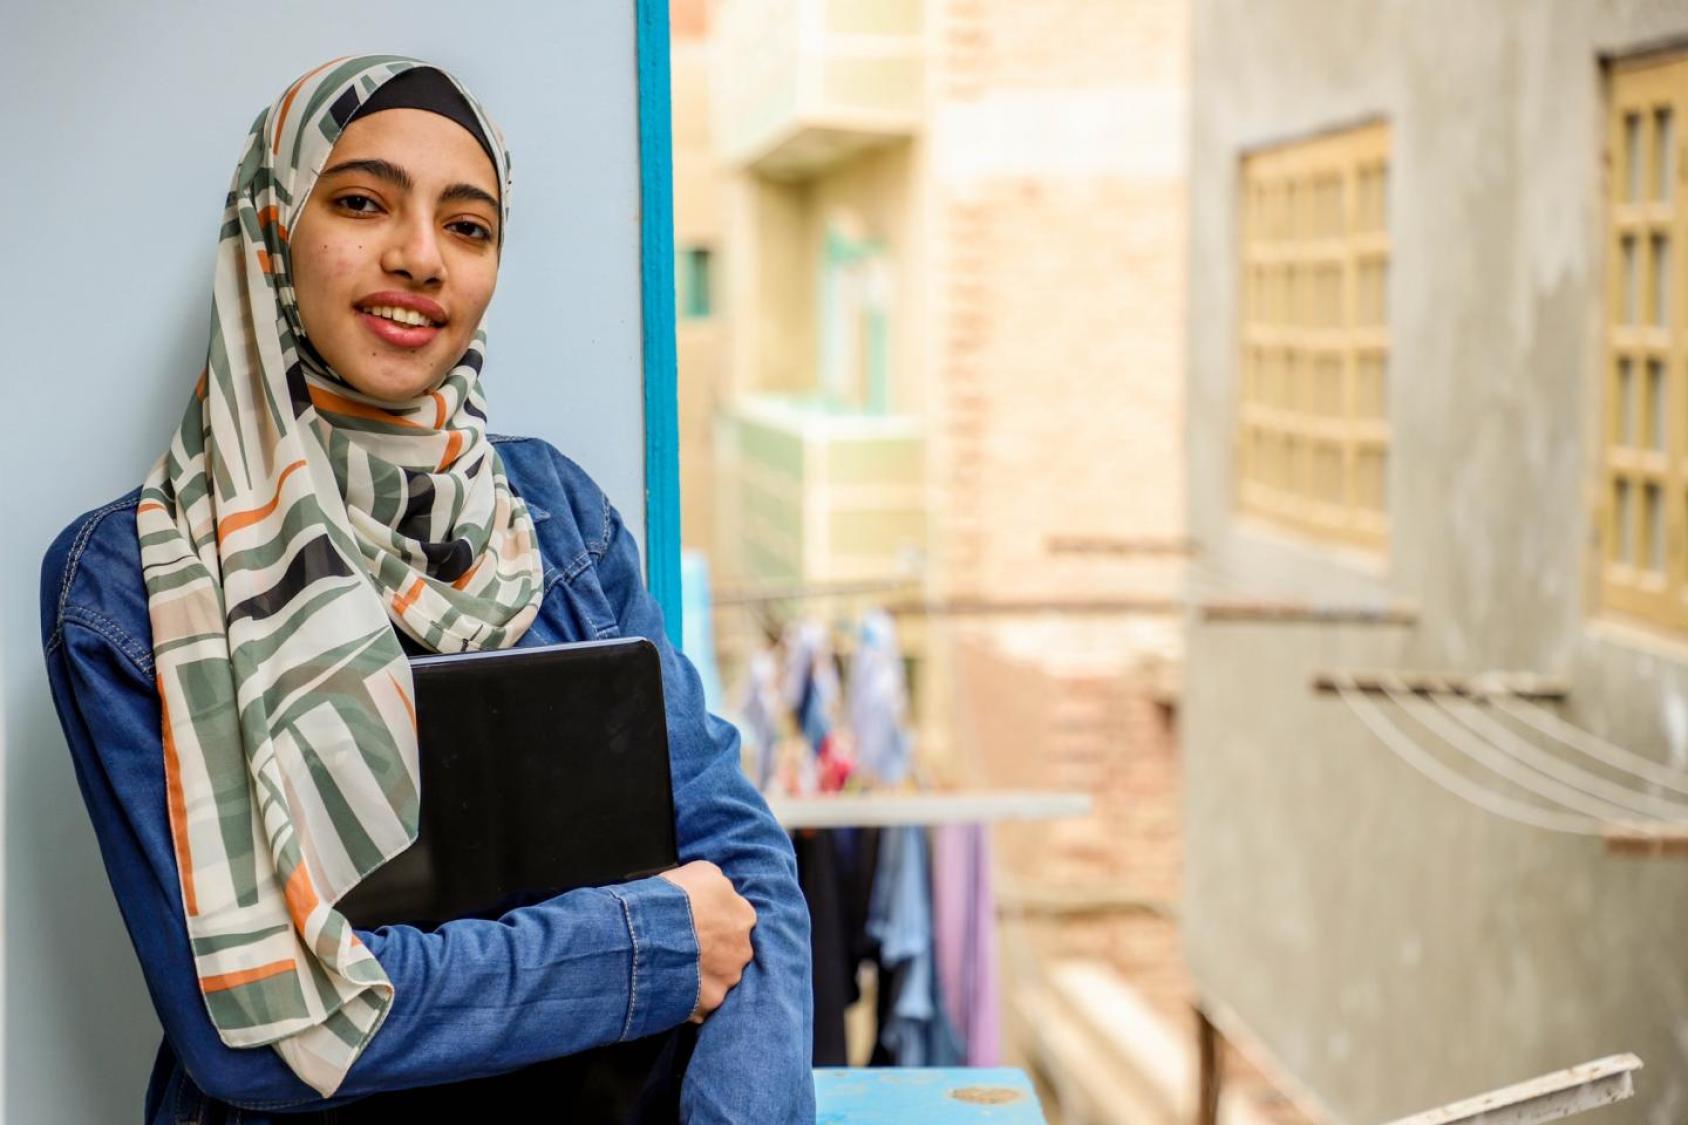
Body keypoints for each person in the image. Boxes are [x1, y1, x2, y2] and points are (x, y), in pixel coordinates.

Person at [38, 54, 815, 1123]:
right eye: (361, 202)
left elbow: (741, 868)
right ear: (272, 230)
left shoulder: (551, 518)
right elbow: (255, 1041)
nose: (418, 258)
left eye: (468, 225)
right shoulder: (128, 588)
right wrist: (640, 947)